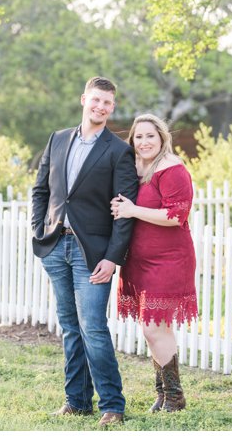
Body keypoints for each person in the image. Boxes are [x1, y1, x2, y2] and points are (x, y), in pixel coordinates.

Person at [31, 76, 139, 427]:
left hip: (91, 253)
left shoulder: (119, 151)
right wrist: (38, 230)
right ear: (83, 100)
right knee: (70, 326)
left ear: (112, 107)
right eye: (95, 100)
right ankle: (76, 401)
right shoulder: (58, 139)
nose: (100, 107)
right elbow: (40, 191)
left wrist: (112, 257)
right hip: (55, 246)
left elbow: (124, 210)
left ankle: (112, 404)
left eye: (107, 103)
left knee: (93, 327)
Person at [111, 113, 198, 413]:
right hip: (138, 260)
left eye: (151, 135)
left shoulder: (172, 169)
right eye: (139, 137)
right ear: (132, 140)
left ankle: (175, 397)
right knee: (154, 329)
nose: (145, 141)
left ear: (162, 137)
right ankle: (163, 394)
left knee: (153, 328)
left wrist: (133, 210)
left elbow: (177, 216)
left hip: (169, 259)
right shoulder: (135, 168)